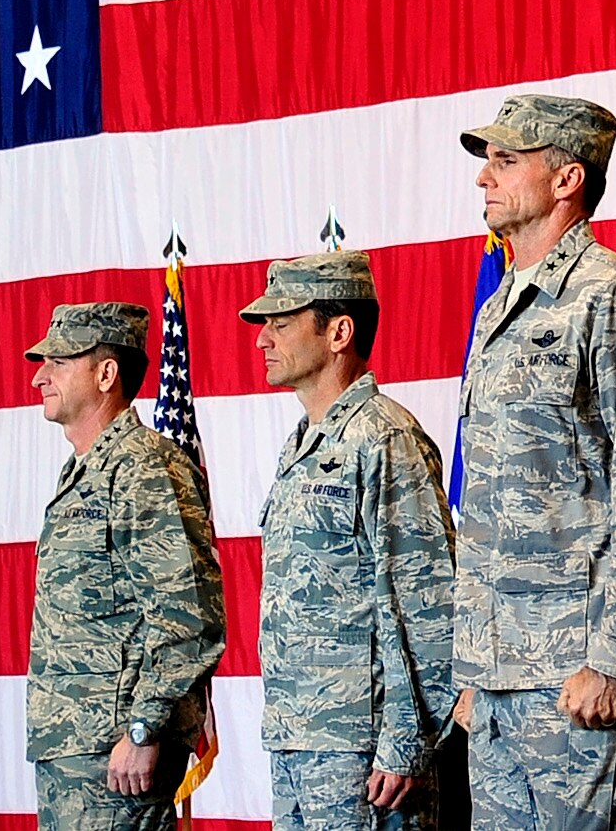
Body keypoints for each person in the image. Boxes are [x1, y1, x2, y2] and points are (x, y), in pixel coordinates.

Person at [451, 94, 616, 829]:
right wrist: (477, 671)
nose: (484, 178)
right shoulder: (503, 307)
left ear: (567, 179)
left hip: (583, 684)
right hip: (502, 686)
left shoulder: (612, 297)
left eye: (506, 161)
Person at [243, 251, 458, 830]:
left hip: (362, 748)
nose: (263, 339)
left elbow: (426, 600)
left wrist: (407, 740)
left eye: (282, 323)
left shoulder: (384, 437)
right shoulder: (301, 444)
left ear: (339, 332)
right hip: (299, 738)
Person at [26, 301, 227, 831]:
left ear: (106, 373)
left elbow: (188, 618)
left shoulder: (145, 466)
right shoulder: (86, 470)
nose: (39, 377)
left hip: (120, 759)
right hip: (75, 750)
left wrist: (144, 730)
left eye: (58, 363)